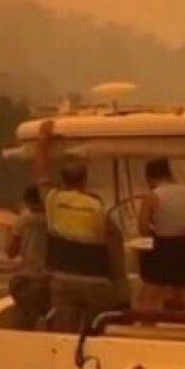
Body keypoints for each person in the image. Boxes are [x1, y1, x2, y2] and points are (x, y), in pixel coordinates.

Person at [34, 119, 124, 332]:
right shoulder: (98, 206)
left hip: (64, 278)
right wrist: (120, 286)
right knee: (96, 329)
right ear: (85, 181)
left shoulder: (53, 199)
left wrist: (43, 139)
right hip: (97, 280)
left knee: (63, 330)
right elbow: (114, 244)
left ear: (63, 180)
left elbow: (40, 171)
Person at [136, 158, 185, 311]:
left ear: (149, 177)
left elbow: (143, 228)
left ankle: (145, 331)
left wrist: (155, 230)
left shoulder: (153, 196)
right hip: (184, 246)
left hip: (162, 247)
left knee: (148, 300)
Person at [6, 186, 50, 330]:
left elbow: (11, 252)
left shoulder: (23, 221)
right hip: (52, 278)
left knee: (24, 318)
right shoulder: (53, 220)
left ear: (27, 201)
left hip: (29, 278)